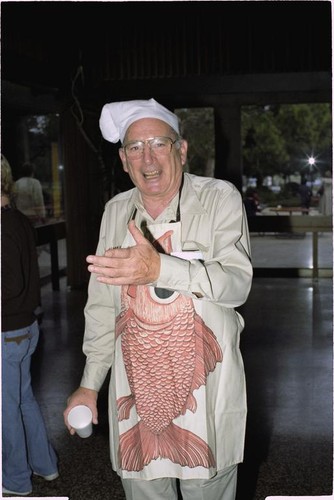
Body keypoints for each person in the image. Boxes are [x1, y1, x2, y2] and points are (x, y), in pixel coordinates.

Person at [64, 98, 253, 500]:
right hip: (136, 399)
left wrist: (160, 270)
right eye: (135, 147)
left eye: (159, 144)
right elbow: (100, 307)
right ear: (123, 159)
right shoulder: (115, 212)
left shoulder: (220, 198)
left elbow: (238, 285)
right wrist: (88, 385)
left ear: (181, 150)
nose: (147, 158)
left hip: (207, 400)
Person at [1, 154, 59, 496]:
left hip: (6, 333)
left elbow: (9, 286)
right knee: (22, 401)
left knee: (5, 410)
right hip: (24, 330)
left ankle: (17, 481)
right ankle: (46, 464)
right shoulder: (18, 220)